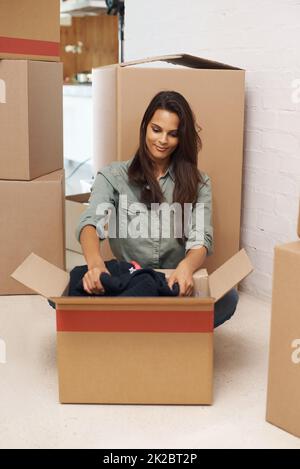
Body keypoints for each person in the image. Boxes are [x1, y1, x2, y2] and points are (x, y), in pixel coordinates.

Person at [76, 90, 238, 327]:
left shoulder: (199, 182)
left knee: (228, 298)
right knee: (70, 290)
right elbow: (91, 222)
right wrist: (95, 264)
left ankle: (136, 325)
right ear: (144, 128)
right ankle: (157, 327)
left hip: (172, 282)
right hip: (129, 279)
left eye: (173, 134)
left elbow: (200, 237)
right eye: (156, 130)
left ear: (182, 138)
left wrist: (187, 267)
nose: (163, 140)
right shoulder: (113, 175)